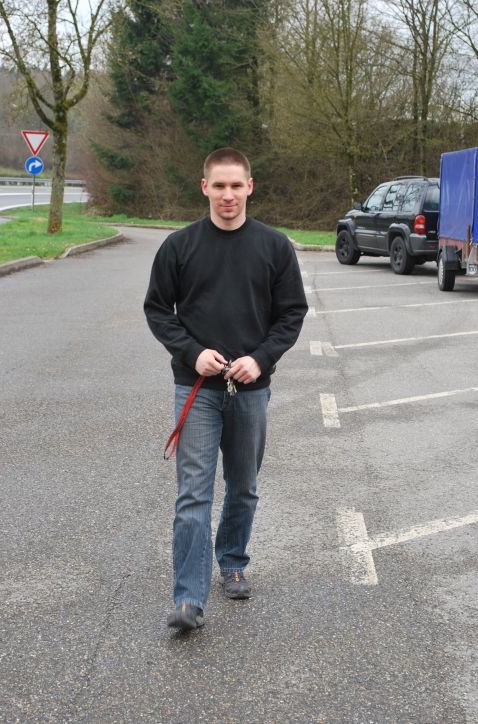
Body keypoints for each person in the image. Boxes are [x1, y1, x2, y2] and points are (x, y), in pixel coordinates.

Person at [144, 148, 308, 631]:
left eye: (236, 185)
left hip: (251, 390)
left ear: (250, 187)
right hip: (196, 387)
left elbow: (291, 314)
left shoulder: (274, 247)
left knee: (243, 486)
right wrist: (192, 352)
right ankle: (188, 599)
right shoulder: (178, 246)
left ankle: (233, 560)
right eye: (219, 186)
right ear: (205, 188)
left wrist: (261, 358)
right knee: (193, 495)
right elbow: (158, 311)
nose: (228, 195)